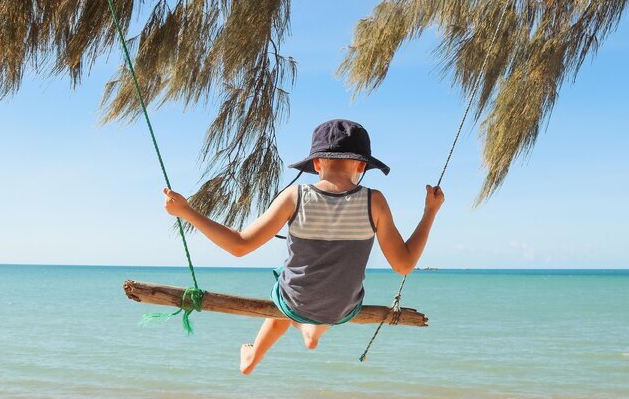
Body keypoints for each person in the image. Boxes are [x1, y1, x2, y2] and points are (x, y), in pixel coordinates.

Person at [163, 118, 445, 374]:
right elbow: (404, 265)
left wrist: (187, 212)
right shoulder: (375, 201)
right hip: (343, 310)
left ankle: (253, 357)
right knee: (315, 288)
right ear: (361, 166)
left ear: (317, 164)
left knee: (285, 284)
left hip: (295, 302)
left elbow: (239, 246)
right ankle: (312, 331)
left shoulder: (295, 196)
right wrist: (430, 212)